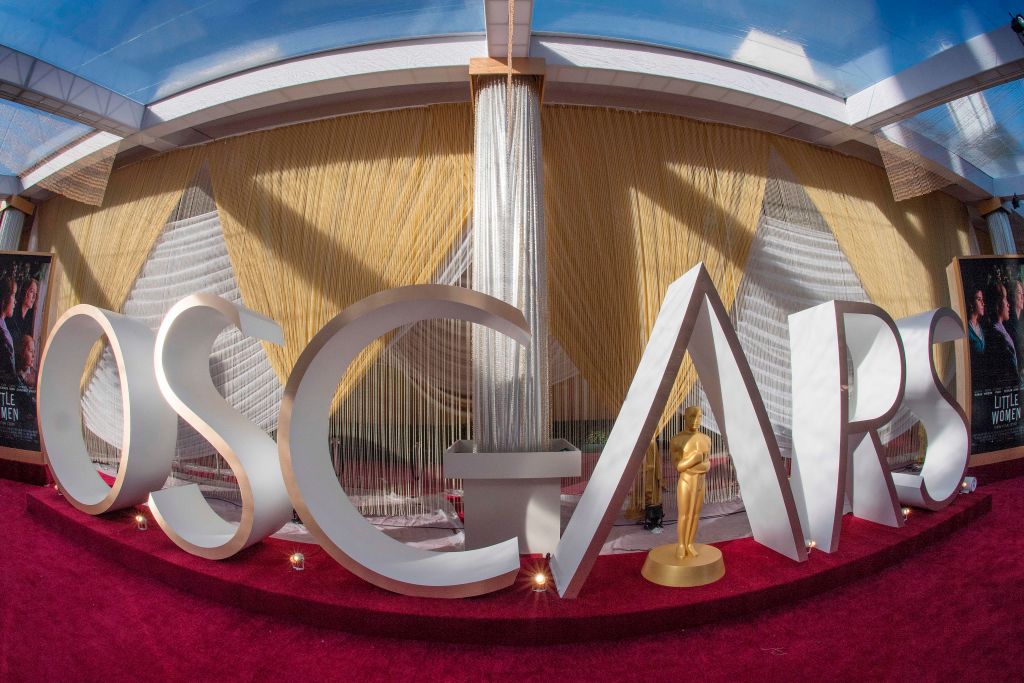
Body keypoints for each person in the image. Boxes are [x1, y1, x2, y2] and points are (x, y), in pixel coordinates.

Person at [669, 405, 711, 560]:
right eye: (692, 416)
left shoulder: (706, 439)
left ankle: (690, 544)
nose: (696, 420)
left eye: (699, 416)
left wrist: (697, 463)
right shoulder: (677, 440)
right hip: (686, 481)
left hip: (701, 482)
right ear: (685, 417)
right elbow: (679, 466)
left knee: (695, 514)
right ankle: (681, 544)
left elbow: (707, 464)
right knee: (684, 515)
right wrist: (694, 459)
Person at [983, 281, 1018, 385]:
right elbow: (1012, 377)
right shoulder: (999, 336)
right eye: (1005, 299)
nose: (1008, 304)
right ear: (997, 304)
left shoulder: (999, 330)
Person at [7, 278, 37, 344]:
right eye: (32, 292)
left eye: (35, 293)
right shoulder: (12, 311)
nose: (34, 297)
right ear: (24, 291)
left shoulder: (29, 320)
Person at [0, 276, 18, 384]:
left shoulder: (3, 325)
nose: (15, 302)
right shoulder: (2, 333)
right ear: (5, 298)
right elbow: (11, 375)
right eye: (13, 296)